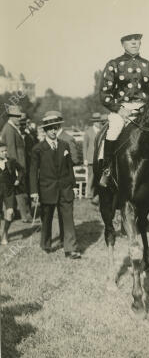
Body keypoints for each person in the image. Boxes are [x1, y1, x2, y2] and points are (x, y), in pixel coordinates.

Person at [99, 32, 149, 187]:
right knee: (114, 129)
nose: (134, 43)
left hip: (144, 109)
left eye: (137, 40)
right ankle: (107, 169)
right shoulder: (114, 64)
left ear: (140, 43)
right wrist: (120, 109)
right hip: (121, 109)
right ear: (123, 44)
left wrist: (147, 110)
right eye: (129, 40)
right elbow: (104, 93)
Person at [30, 111, 81, 259]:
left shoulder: (64, 145)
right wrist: (34, 191)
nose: (53, 131)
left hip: (65, 188)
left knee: (68, 218)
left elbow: (69, 167)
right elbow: (33, 171)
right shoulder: (38, 149)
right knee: (47, 219)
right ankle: (46, 244)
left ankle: (70, 248)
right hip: (47, 189)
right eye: (50, 128)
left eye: (55, 127)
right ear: (45, 130)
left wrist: (74, 186)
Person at [1, 105, 32, 222]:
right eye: (17, 116)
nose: (20, 118)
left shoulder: (12, 128)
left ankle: (16, 214)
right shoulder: (9, 130)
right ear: (11, 117)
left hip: (20, 165)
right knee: (20, 191)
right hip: (17, 167)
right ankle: (26, 216)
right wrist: (16, 170)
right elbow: (11, 151)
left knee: (18, 191)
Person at [0, 141, 23, 245]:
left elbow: (22, 170)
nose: (4, 153)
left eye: (5, 151)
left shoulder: (11, 161)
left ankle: (5, 233)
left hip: (9, 191)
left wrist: (18, 179)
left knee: (10, 213)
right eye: (2, 151)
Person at [83, 112, 106, 200]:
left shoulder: (102, 130)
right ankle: (88, 194)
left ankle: (97, 194)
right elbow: (85, 146)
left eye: (99, 121)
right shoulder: (88, 132)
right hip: (90, 159)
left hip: (100, 158)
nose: (98, 123)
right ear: (93, 122)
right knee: (91, 177)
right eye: (96, 121)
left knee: (99, 177)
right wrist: (85, 158)